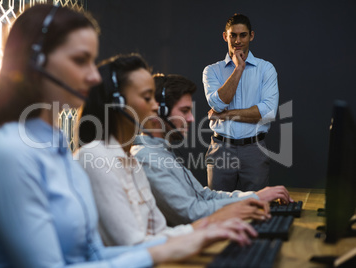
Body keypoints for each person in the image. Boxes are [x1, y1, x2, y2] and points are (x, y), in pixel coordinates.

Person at [0, 5, 255, 268]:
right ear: (36, 62)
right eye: (80, 60)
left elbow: (92, 255)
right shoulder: (9, 153)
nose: (95, 76)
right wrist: (169, 248)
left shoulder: (56, 148)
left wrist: (192, 237)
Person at [76, 54, 257, 247]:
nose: (155, 106)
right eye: (147, 98)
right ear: (118, 105)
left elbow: (158, 232)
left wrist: (207, 229)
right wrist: (206, 229)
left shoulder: (132, 162)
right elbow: (134, 246)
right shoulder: (96, 156)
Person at [131, 74, 292, 226]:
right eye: (184, 111)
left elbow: (205, 196)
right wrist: (255, 197)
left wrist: (255, 197)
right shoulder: (146, 158)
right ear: (160, 112)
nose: (191, 118)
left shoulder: (163, 152)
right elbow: (191, 213)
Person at [203, 13, 279, 191]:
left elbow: (267, 112)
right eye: (233, 35)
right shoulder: (211, 71)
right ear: (225, 36)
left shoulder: (265, 69)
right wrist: (239, 68)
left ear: (251, 35)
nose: (238, 40)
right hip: (221, 149)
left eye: (243, 35)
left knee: (255, 210)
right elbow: (219, 104)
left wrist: (226, 115)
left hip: (254, 150)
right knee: (219, 210)